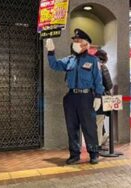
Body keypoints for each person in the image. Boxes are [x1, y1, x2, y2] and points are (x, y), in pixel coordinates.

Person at [45, 28, 104, 165]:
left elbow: (98, 80)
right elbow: (55, 65)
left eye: (78, 41)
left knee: (89, 127)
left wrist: (98, 96)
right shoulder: (69, 60)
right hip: (71, 97)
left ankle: (94, 153)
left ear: (86, 44)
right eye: (74, 41)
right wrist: (51, 51)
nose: (75, 43)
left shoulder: (93, 60)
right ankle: (74, 154)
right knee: (72, 127)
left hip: (86, 97)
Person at [95, 49, 113, 150]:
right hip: (100, 97)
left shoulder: (90, 64)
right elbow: (108, 84)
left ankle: (101, 139)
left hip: (88, 97)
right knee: (99, 120)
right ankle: (98, 144)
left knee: (94, 121)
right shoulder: (102, 67)